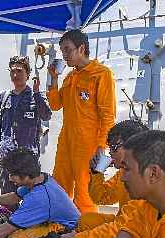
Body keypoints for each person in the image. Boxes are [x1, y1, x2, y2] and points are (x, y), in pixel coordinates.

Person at [47, 29, 116, 214]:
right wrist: (53, 79)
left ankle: (86, 236)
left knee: (84, 195)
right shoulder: (70, 77)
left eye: (68, 50)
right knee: (59, 188)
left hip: (88, 146)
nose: (65, 56)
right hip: (66, 143)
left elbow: (108, 116)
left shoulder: (101, 74)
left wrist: (102, 147)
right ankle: (60, 230)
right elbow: (55, 104)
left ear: (81, 48)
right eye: (63, 52)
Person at [60, 120, 149, 238]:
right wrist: (97, 173)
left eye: (114, 147)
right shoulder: (124, 173)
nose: (111, 153)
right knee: (86, 220)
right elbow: (102, 197)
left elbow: (122, 228)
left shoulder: (145, 180)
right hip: (124, 225)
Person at [0, 56, 52, 209]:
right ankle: (8, 229)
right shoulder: (3, 97)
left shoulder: (36, 96)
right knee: (7, 200)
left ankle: (28, 230)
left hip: (27, 160)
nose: (15, 75)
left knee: (31, 199)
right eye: (13, 71)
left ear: (27, 74)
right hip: (7, 157)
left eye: (20, 71)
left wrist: (36, 94)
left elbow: (46, 115)